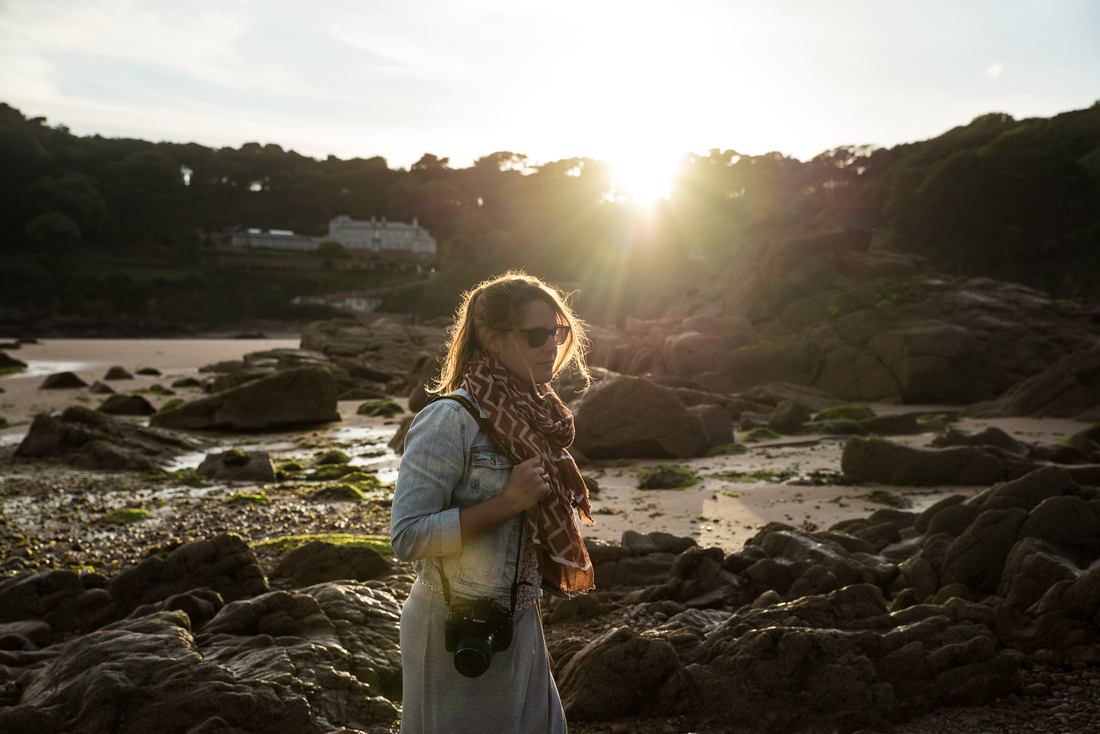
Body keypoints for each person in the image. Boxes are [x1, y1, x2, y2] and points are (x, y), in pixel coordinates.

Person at [390, 270, 596, 734]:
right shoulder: (450, 420)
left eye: (558, 332)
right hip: (455, 628)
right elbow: (407, 537)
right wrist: (507, 502)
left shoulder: (538, 418)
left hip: (518, 620)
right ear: (494, 340)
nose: (552, 345)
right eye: (538, 335)